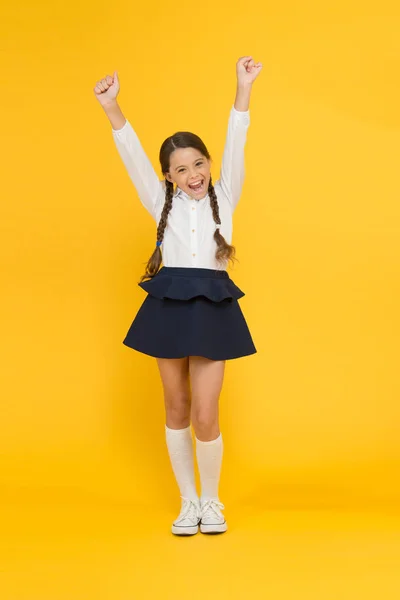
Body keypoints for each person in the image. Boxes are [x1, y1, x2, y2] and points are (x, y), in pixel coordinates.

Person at [93, 56, 262, 536]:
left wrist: (242, 87)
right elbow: (132, 156)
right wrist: (112, 107)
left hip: (212, 304)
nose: (193, 173)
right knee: (177, 406)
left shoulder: (225, 195)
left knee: (207, 410)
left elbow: (237, 138)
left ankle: (212, 501)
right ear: (168, 175)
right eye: (181, 168)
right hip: (168, 303)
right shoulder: (158, 199)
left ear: (209, 164)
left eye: (199, 163)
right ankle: (188, 503)